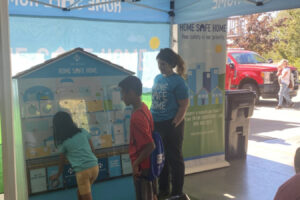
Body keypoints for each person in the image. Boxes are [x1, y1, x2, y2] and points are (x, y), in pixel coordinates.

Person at [151, 48, 189, 199]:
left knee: (175, 158)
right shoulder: (157, 78)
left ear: (171, 64)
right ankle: (164, 189)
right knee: (161, 158)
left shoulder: (178, 81)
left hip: (172, 124)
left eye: (163, 64)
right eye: (159, 63)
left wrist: (175, 122)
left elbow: (184, 105)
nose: (160, 67)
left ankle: (177, 192)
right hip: (157, 123)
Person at [118, 75, 157, 200]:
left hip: (143, 167)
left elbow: (150, 145)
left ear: (131, 92)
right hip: (149, 163)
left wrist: (135, 164)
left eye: (123, 93)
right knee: (151, 195)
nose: (121, 97)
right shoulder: (144, 108)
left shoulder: (137, 117)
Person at [50, 111, 99, 200]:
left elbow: (62, 161)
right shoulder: (83, 131)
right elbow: (92, 149)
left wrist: (58, 174)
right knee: (80, 193)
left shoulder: (64, 142)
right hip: (95, 167)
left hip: (82, 171)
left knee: (85, 196)